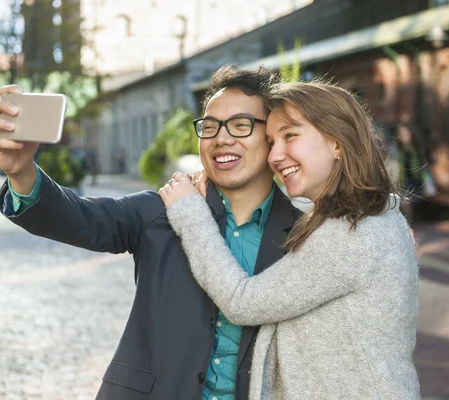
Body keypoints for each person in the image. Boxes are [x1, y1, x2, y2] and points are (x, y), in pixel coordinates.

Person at [0, 65, 302, 400]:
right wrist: (21, 172)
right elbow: (79, 217)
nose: (221, 138)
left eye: (241, 125)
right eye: (210, 126)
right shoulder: (161, 211)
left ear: (272, 136)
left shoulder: (304, 234)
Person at [160, 81, 420, 399]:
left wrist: (190, 214)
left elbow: (242, 302)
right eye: (271, 141)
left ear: (337, 142)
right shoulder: (367, 218)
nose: (274, 155)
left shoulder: (354, 236)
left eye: (290, 135)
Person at [396, 122, 433, 224]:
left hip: (417, 180)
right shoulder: (397, 149)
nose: (404, 136)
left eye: (406, 133)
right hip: (404, 181)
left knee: (415, 202)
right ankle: (409, 223)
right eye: (401, 133)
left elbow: (425, 164)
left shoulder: (417, 148)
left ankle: (411, 222)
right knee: (406, 203)